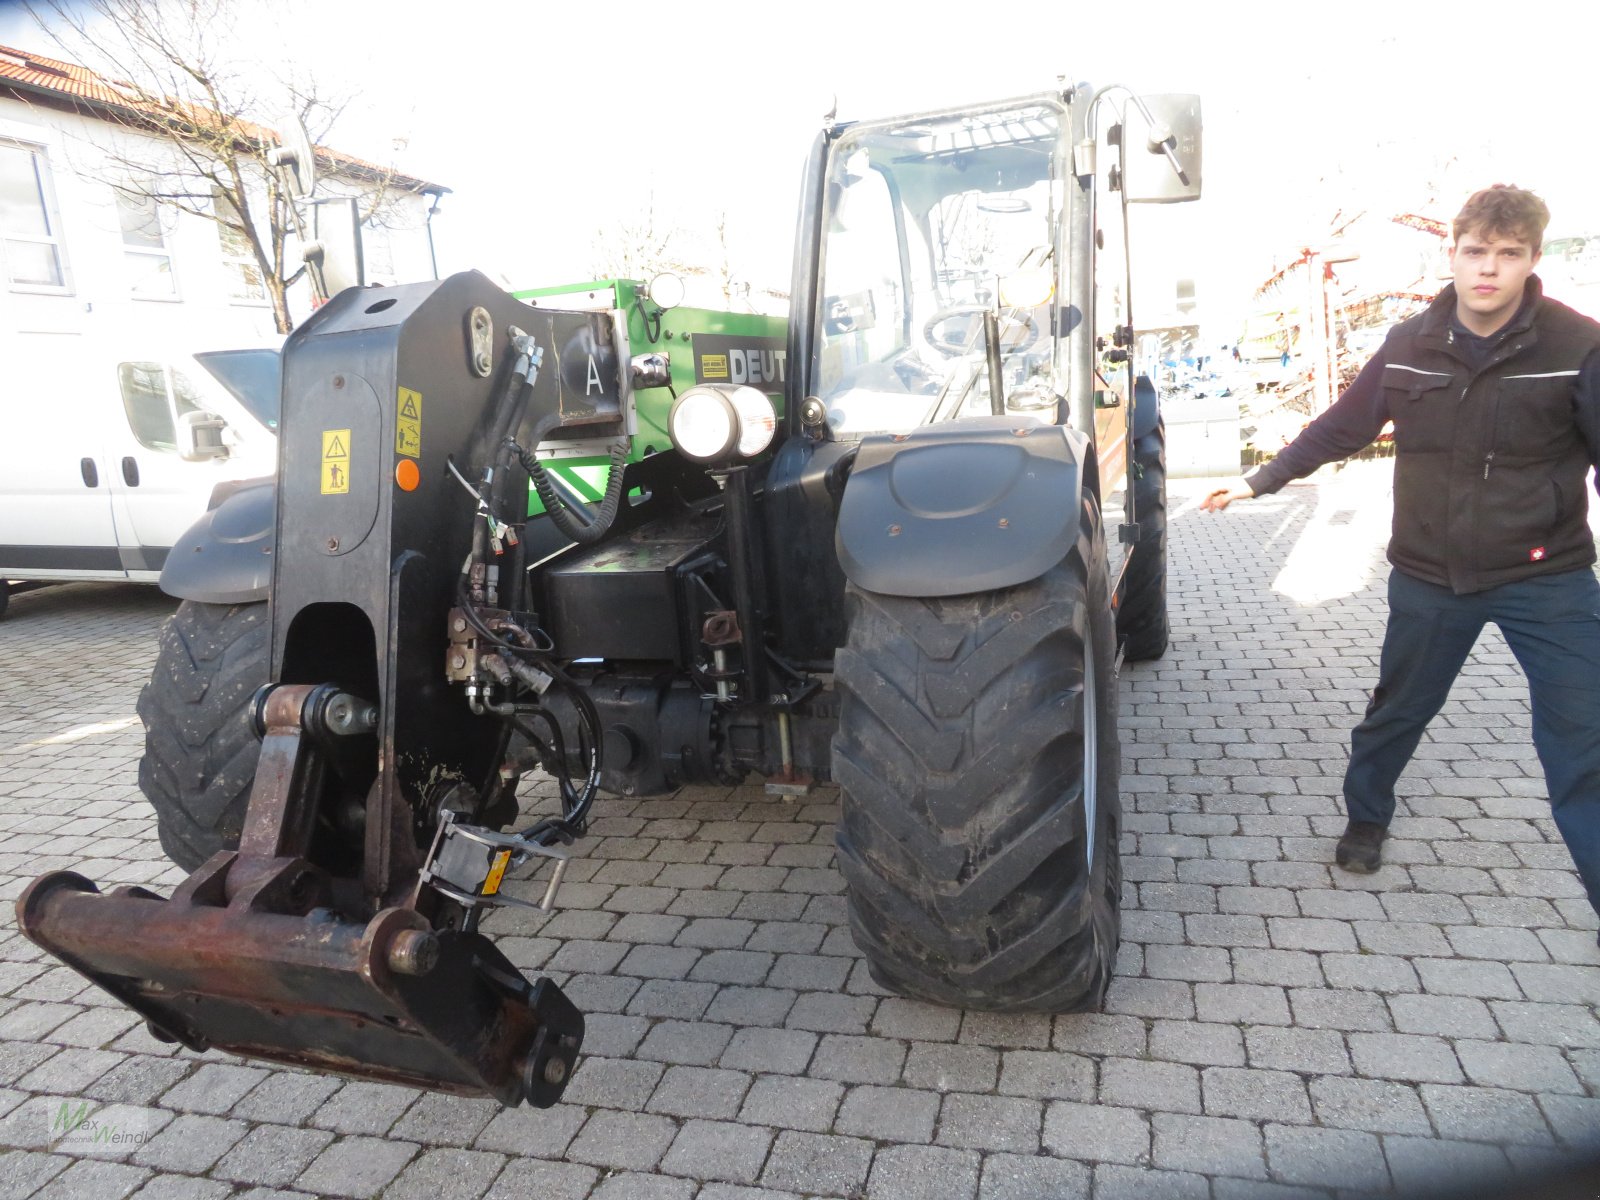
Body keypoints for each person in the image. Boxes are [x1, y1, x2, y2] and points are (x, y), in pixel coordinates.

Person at [1201, 185, 1600, 938]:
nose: (1489, 269)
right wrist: (1258, 479)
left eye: (1508, 254)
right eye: (1476, 251)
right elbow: (1341, 428)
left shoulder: (1577, 347)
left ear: (1532, 260)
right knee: (1397, 714)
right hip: (1430, 578)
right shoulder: (1409, 344)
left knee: (1585, 744)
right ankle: (1366, 819)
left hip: (1548, 579)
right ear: (1452, 252)